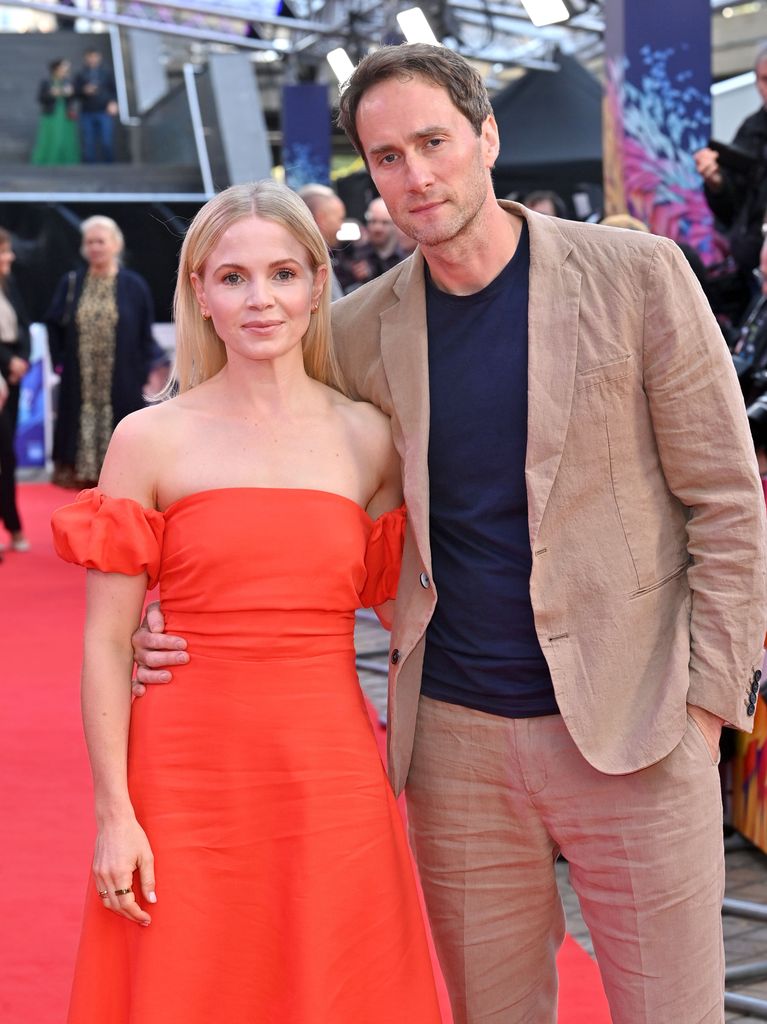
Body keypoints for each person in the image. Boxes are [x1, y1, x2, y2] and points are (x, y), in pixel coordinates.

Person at [133, 44, 767, 1023]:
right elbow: (266, 469)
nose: (415, 175)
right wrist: (164, 617)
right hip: (455, 749)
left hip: (638, 726)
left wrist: (704, 709)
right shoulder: (350, 331)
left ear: (485, 137)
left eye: (432, 142)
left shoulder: (636, 274)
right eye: (386, 157)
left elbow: (725, 500)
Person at [50, 180, 441, 1023]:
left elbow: (405, 606)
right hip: (185, 773)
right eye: (233, 278)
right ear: (199, 291)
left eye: (282, 274)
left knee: (337, 982)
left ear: (315, 284)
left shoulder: (368, 435)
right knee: (186, 984)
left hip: (328, 769)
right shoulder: (147, 438)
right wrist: (115, 815)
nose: (260, 299)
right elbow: (104, 644)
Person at [45, 215, 164, 489]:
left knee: (122, 434)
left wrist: (148, 372)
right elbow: (53, 324)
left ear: (115, 244)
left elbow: (145, 335)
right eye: (89, 242)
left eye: (100, 241)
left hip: (122, 378)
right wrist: (60, 362)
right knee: (78, 434)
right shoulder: (72, 282)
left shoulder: (134, 285)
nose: (94, 247)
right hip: (81, 380)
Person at [695, 43, 767, 313]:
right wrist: (716, 182)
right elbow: (732, 202)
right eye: (764, 79)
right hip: (752, 260)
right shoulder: (751, 130)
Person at [0, 228, 31, 552]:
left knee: (7, 456)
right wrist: (8, 361)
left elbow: (24, 324)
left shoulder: (9, 284)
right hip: (4, 372)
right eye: (4, 251)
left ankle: (13, 524)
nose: (10, 257)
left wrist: (19, 359)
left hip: (12, 378)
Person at [337, 197, 406, 291]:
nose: (377, 228)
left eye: (384, 223)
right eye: (373, 222)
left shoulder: (407, 257)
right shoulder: (355, 254)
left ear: (395, 224)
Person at [296, 183, 348, 299]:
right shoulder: (314, 260)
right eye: (340, 219)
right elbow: (334, 311)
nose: (341, 226)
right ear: (321, 218)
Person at [30, 58, 80, 166]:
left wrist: (71, 93)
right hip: (51, 113)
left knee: (66, 138)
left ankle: (67, 160)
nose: (66, 70)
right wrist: (52, 94)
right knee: (51, 137)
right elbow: (40, 98)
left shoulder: (68, 81)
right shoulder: (47, 82)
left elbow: (74, 98)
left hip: (65, 114)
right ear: (56, 69)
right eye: (63, 67)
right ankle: (47, 159)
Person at [73, 49, 118, 163]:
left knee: (106, 141)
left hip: (104, 111)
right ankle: (89, 169)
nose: (92, 59)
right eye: (90, 57)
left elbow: (115, 90)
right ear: (86, 58)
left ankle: (110, 166)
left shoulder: (107, 73)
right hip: (87, 111)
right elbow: (75, 92)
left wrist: (113, 102)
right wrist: (84, 90)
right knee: (88, 142)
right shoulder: (81, 74)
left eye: (95, 56)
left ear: (99, 57)